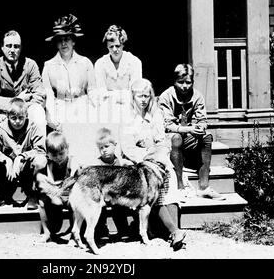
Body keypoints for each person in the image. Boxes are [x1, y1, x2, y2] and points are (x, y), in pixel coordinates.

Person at [119, 78, 186, 251]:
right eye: (140, 96)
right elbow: (128, 147)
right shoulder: (127, 117)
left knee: (168, 179)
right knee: (152, 181)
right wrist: (148, 152)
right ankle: (174, 231)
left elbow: (161, 141)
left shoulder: (155, 114)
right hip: (137, 162)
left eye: (147, 96)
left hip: (156, 159)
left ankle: (173, 232)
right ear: (133, 96)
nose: (143, 100)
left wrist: (151, 147)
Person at [159, 64, 225, 201]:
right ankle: (180, 187)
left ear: (193, 82)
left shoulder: (197, 96)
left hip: (188, 140)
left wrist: (200, 127)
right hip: (168, 141)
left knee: (206, 137)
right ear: (174, 81)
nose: (184, 86)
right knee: (176, 137)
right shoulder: (166, 96)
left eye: (188, 82)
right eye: (180, 82)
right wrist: (189, 129)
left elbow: (202, 120)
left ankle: (203, 187)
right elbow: (167, 126)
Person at [0, 98, 47, 211]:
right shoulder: (0, 128)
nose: (17, 121)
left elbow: (40, 150)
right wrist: (6, 160)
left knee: (41, 160)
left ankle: (33, 194)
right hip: (5, 171)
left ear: (26, 116)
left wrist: (21, 157)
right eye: (13, 118)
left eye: (21, 118)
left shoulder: (33, 128)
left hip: (26, 169)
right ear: (8, 117)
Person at [42, 14, 97, 130]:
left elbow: (92, 90)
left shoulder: (85, 63)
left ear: (73, 41)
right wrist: (53, 116)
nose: (63, 44)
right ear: (56, 44)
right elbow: (49, 95)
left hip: (82, 106)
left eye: (67, 39)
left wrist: (95, 109)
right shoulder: (48, 66)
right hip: (60, 108)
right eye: (60, 40)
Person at [35, 131, 83, 243]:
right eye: (54, 155)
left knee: (75, 202)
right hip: (57, 193)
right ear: (48, 153)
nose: (58, 158)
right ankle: (47, 233)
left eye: (61, 154)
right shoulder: (49, 163)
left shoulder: (72, 161)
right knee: (42, 201)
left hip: (70, 192)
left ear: (67, 149)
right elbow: (51, 181)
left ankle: (74, 234)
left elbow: (72, 180)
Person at [94, 25, 142, 123]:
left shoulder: (134, 62)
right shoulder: (100, 64)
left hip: (130, 107)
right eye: (111, 46)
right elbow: (101, 91)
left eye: (118, 45)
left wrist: (112, 95)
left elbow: (135, 91)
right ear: (107, 46)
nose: (115, 49)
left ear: (123, 44)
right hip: (107, 107)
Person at [93, 127, 133, 241]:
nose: (104, 150)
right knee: (100, 208)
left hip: (117, 194)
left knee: (119, 207)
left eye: (106, 146)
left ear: (114, 145)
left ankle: (123, 230)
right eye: (101, 148)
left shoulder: (120, 162)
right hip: (103, 194)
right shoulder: (98, 164)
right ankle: (102, 231)